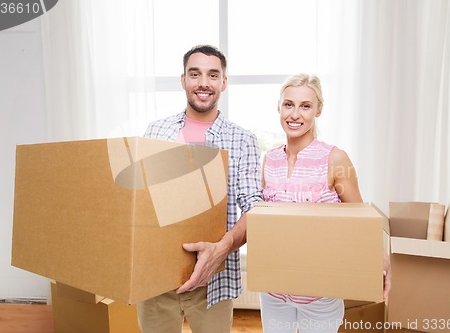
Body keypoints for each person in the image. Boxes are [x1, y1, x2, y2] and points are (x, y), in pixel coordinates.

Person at [137, 45, 263, 333]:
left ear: (224, 82)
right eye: (195, 74)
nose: (203, 83)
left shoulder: (242, 140)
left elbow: (254, 207)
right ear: (183, 80)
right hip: (157, 281)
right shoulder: (156, 132)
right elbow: (142, 201)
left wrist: (223, 248)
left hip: (213, 283)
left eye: (212, 75)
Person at [259, 73, 391, 333]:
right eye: (289, 104)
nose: (295, 114)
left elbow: (360, 218)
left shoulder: (335, 159)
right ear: (278, 107)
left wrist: (381, 258)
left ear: (318, 110)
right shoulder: (270, 159)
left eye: (305, 106)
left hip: (320, 294)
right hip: (274, 292)